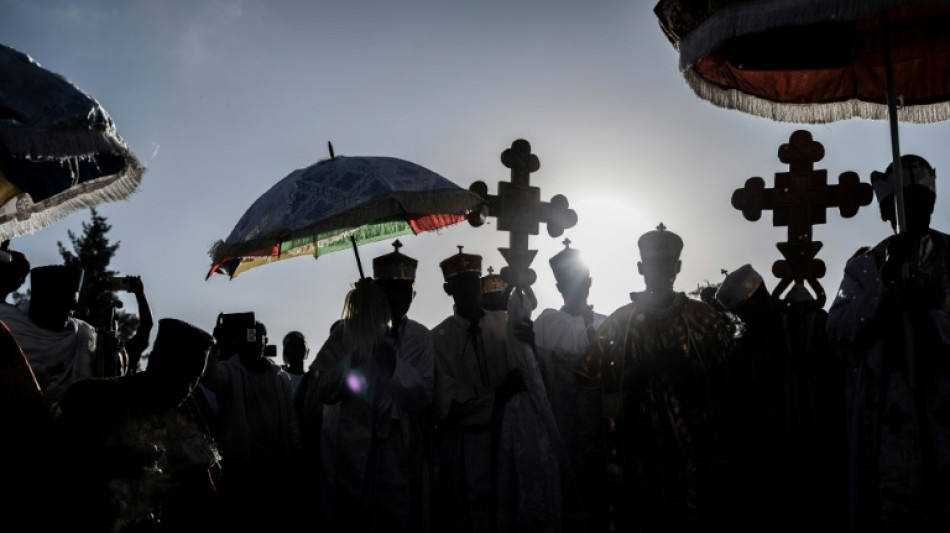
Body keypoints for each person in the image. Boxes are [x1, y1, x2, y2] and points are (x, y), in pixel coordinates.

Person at [576, 223, 733, 530]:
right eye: (652, 265)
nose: (660, 272)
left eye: (666, 266)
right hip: (636, 451)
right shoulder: (619, 323)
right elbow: (587, 379)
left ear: (678, 267)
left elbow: (730, 380)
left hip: (694, 449)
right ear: (640, 267)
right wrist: (639, 372)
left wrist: (690, 369)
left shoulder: (704, 318)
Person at [827, 154, 950, 531]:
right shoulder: (864, 264)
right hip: (884, 402)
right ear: (885, 211)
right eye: (901, 202)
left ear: (932, 204)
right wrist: (886, 286)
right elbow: (840, 328)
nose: (913, 210)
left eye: (920, 201)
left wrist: (928, 313)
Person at [306, 239, 435, 532]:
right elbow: (324, 387)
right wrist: (354, 359)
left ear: (414, 294)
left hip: (397, 451)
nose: (397, 299)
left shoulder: (421, 337)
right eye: (390, 290)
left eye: (404, 291)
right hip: (349, 450)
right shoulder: (346, 331)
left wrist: (394, 366)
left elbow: (424, 398)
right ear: (378, 293)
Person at [52, 317, 218, 532]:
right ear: (158, 362)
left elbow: (202, 500)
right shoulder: (92, 399)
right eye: (181, 375)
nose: (187, 389)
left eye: (194, 380)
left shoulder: (185, 424)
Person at [715, 265, 846, 531]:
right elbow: (736, 396)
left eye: (750, 307)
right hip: (769, 449)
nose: (748, 316)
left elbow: (835, 372)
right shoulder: (746, 345)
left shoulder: (807, 321)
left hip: (816, 434)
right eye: (742, 313)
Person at [430, 246, 525, 533]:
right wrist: (497, 395)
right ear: (449, 290)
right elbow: (448, 400)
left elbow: (523, 374)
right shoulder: (436, 339)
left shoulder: (503, 323)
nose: (471, 292)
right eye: (462, 286)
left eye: (474, 283)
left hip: (507, 436)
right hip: (464, 448)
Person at [532, 239, 610, 532]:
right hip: (560, 431)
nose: (576, 288)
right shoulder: (546, 324)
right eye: (568, 283)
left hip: (601, 433)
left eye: (580, 282)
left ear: (589, 283)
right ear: (559, 288)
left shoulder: (606, 325)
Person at [200, 313, 302, 529]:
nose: (254, 340)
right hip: (242, 471)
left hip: (275, 469)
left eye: (258, 336)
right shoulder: (231, 371)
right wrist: (216, 346)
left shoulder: (279, 377)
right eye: (249, 335)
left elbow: (290, 420)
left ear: (265, 341)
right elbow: (210, 379)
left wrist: (296, 457)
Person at [0, 264, 97, 406]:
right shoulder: (7, 323)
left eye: (72, 307)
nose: (69, 314)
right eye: (61, 306)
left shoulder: (84, 335)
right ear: (43, 303)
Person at [281, 330, 309, 398]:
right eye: (292, 346)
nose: (297, 350)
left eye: (300, 346)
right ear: (285, 352)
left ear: (306, 351)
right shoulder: (279, 378)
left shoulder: (312, 381)